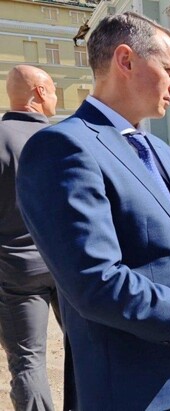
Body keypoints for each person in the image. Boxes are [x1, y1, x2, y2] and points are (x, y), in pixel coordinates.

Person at [16, 12, 170, 410]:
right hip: (132, 387)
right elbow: (96, 282)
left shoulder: (161, 152)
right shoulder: (63, 148)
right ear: (126, 60)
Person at [0, 65, 59, 410]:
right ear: (38, 92)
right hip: (69, 267)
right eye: (51, 90)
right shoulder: (63, 141)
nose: (54, 97)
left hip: (16, 271)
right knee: (87, 349)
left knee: (26, 361)